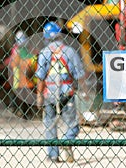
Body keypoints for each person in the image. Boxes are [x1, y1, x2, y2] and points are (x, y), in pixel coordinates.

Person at [35, 22, 86, 163]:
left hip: (49, 93)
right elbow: (79, 75)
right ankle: (67, 140)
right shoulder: (69, 51)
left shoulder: (44, 53)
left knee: (50, 123)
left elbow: (40, 77)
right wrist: (85, 91)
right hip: (66, 91)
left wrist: (39, 96)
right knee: (73, 124)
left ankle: (52, 155)